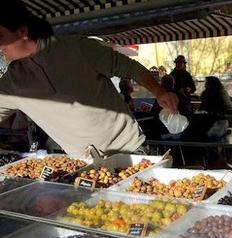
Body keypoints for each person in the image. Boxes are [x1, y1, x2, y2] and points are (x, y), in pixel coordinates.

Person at [0, 0, 178, 157]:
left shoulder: (77, 48)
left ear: (22, 31)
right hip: (84, 162)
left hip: (129, 150)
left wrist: (159, 91)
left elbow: (131, 68)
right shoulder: (12, 81)